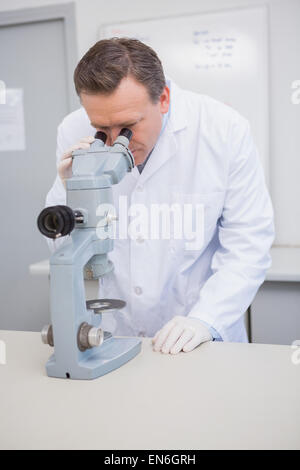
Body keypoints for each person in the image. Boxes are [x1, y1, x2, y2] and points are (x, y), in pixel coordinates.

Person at [45, 38, 274, 354]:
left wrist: (206, 319)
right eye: (102, 129)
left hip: (201, 336)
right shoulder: (72, 129)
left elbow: (249, 243)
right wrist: (66, 189)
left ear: (163, 98)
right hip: (114, 333)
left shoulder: (222, 129)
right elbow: (62, 247)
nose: (115, 143)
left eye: (127, 127)